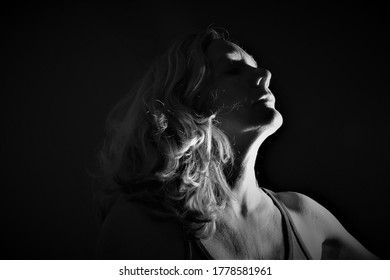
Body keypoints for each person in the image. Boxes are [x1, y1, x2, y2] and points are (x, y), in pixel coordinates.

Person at [94, 27, 378, 259]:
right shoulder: (140, 223)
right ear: (189, 100)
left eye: (256, 67)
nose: (264, 75)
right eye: (232, 70)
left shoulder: (304, 215)